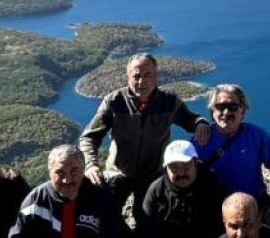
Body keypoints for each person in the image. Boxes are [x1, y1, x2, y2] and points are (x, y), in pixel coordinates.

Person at [79, 53, 211, 224]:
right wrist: (90, 165)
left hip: (153, 174)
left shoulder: (169, 101)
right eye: (136, 76)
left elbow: (189, 119)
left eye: (148, 75)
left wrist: (200, 123)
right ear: (128, 77)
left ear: (156, 76)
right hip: (119, 172)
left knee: (147, 219)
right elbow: (89, 137)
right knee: (105, 215)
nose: (142, 81)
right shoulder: (114, 102)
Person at [191, 84, 270, 233]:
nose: (226, 112)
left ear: (243, 111)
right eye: (220, 107)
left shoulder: (256, 136)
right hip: (215, 212)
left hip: (255, 208)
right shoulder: (201, 140)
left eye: (233, 107)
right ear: (212, 111)